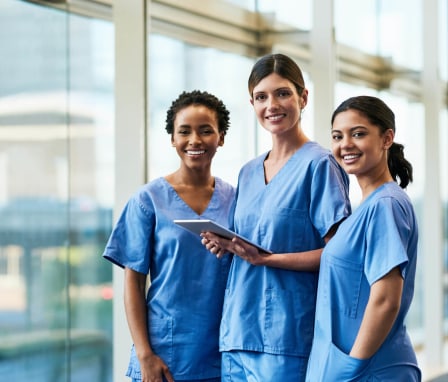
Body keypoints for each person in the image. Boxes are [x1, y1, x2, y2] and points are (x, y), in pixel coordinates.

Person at [200, 53, 351, 382]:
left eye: (282, 93)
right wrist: (225, 245)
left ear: (303, 97)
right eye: (261, 97)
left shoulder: (320, 165)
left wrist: (267, 259)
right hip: (238, 333)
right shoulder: (248, 172)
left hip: (288, 336)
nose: (272, 105)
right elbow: (251, 241)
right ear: (252, 103)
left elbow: (341, 256)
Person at [103, 90, 236, 382]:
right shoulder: (148, 200)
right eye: (184, 131)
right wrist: (144, 354)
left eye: (206, 131)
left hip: (224, 355)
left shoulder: (235, 199)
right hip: (165, 356)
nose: (195, 140)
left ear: (221, 137)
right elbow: (134, 284)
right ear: (173, 139)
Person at [305, 95, 421, 381]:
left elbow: (385, 299)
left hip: (367, 369)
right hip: (350, 365)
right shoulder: (367, 208)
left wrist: (350, 368)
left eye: (358, 134)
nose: (345, 144)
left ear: (386, 138)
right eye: (337, 136)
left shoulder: (386, 205)